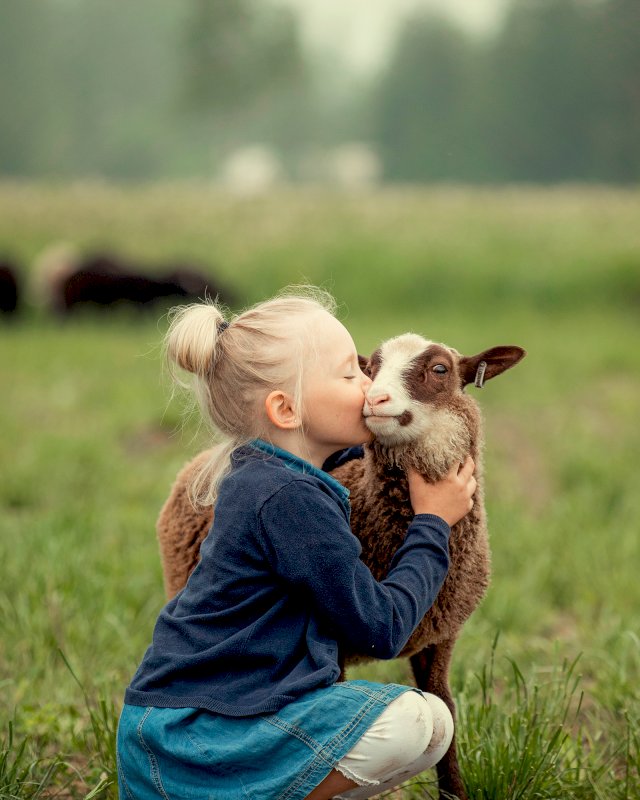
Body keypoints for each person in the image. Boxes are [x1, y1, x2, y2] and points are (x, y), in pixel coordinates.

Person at [117, 287, 476, 800]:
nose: (369, 385)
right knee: (423, 721)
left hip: (183, 727)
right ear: (286, 409)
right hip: (195, 741)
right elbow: (382, 630)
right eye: (351, 373)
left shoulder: (268, 475)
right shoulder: (290, 502)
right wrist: (433, 523)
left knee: (416, 726)